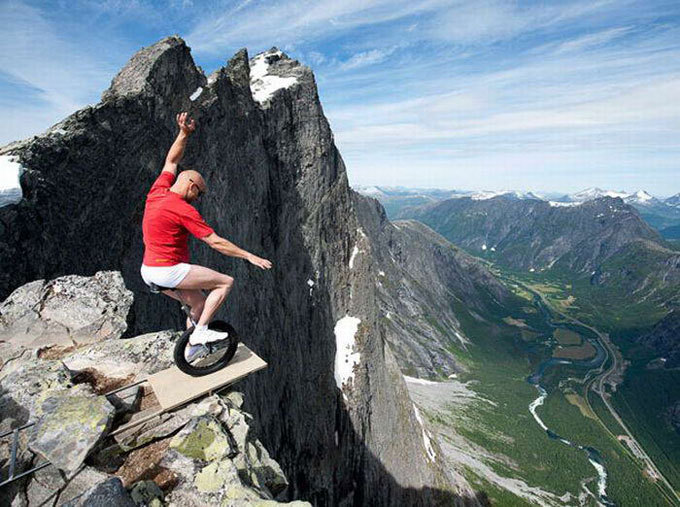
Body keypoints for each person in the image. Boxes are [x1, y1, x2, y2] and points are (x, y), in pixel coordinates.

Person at [140, 112, 272, 357]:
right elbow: (215, 241)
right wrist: (248, 256)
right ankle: (200, 332)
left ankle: (190, 352)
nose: (198, 198)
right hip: (168, 270)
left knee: (198, 303)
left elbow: (171, 161)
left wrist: (183, 134)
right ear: (191, 186)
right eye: (199, 193)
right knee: (225, 282)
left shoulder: (157, 191)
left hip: (148, 270)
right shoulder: (182, 209)